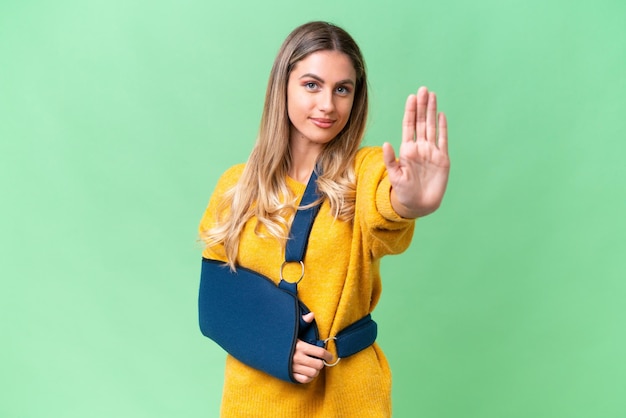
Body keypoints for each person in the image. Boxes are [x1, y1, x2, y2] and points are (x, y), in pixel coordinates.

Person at [198, 20, 450, 417]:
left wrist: (410, 202)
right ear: (283, 86)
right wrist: (276, 346)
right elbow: (216, 303)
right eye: (312, 85)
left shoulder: (364, 171)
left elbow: (387, 210)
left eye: (342, 89)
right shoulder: (236, 186)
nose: (328, 105)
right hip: (255, 399)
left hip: (348, 397)